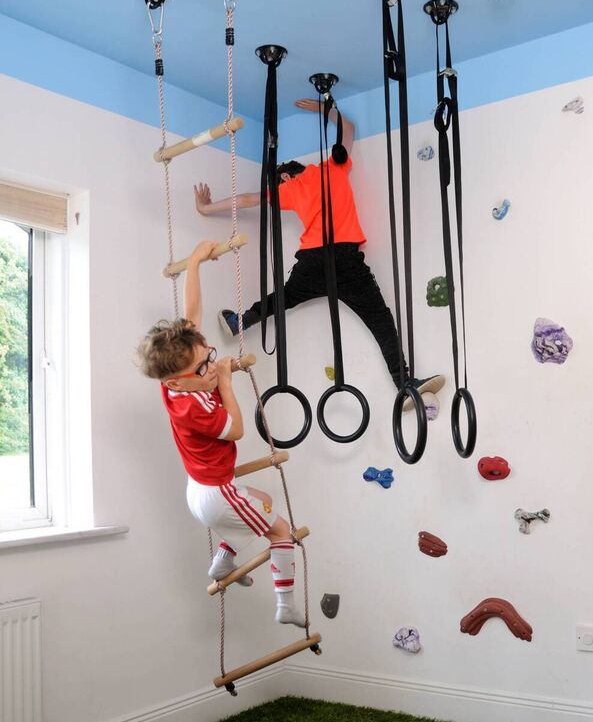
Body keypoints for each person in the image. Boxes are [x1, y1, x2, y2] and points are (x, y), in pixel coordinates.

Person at [194, 98, 444, 411]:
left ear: (285, 177)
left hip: (312, 261)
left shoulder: (289, 189)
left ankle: (239, 322)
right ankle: (405, 385)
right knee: (380, 320)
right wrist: (324, 109)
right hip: (347, 260)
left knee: (283, 299)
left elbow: (248, 200)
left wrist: (207, 207)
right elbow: (348, 129)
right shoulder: (333, 168)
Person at [136, 240, 304, 628]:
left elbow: (192, 314)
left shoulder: (174, 379)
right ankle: (286, 605)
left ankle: (223, 562)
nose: (211, 364)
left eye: (209, 355)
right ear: (178, 381)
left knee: (262, 500)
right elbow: (238, 430)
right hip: (216, 496)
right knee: (282, 531)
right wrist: (225, 383)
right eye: (203, 366)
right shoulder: (193, 409)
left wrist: (195, 263)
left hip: (202, 491)